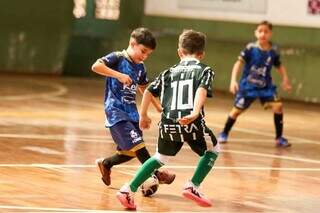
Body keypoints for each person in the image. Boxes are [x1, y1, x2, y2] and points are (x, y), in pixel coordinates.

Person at [116, 29, 220, 210]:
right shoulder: (205, 70)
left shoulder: (167, 73)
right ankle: (193, 185)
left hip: (168, 123)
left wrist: (143, 115)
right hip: (190, 122)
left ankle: (127, 189)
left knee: (159, 158)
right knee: (213, 149)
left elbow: (148, 91)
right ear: (201, 54)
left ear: (179, 52)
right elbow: (202, 90)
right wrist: (195, 112)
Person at [91, 27, 175, 187]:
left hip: (132, 113)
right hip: (116, 111)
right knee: (139, 145)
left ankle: (106, 163)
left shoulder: (141, 67)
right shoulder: (117, 58)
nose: (144, 56)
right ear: (132, 43)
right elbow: (96, 66)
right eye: (143, 51)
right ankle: (157, 173)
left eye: (148, 54)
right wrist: (118, 75)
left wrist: (157, 106)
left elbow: (144, 88)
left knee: (128, 152)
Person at [217, 20, 292, 148]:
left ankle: (279, 138)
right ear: (256, 33)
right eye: (260, 31)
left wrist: (285, 79)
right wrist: (233, 80)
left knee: (278, 106)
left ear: (270, 34)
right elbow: (238, 64)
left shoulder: (273, 51)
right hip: (248, 87)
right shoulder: (250, 48)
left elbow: (279, 66)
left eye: (266, 31)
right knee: (235, 112)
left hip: (266, 88)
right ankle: (224, 133)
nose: (263, 34)